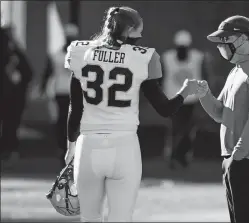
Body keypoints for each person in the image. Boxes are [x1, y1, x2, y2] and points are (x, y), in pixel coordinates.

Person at [63, 6, 199, 222]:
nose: (141, 36)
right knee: (121, 218)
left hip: (87, 145)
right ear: (129, 31)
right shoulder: (143, 58)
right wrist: (185, 92)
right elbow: (165, 109)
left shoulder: (80, 52)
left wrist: (71, 145)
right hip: (124, 145)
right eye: (139, 31)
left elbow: (75, 108)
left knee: (90, 218)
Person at [196, 15, 249, 223]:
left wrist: (238, 156)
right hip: (236, 159)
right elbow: (219, 113)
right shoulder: (237, 70)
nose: (221, 46)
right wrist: (204, 94)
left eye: (225, 40)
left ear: (242, 39)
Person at [161, 29, 211, 168]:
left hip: (191, 99)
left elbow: (205, 75)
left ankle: (181, 156)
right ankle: (175, 156)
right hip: (173, 98)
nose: (182, 52)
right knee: (176, 128)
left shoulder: (197, 57)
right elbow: (161, 77)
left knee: (188, 130)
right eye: (180, 49)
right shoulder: (167, 57)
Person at [40, 24, 79, 166]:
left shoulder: (57, 55)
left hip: (61, 91)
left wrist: (43, 88)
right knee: (71, 120)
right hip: (72, 92)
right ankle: (69, 146)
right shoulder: (79, 55)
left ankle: (63, 147)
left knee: (62, 120)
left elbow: (47, 73)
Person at [0, 26, 33, 165]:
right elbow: (28, 74)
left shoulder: (15, 55)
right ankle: (9, 148)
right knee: (11, 123)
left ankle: (8, 148)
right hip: (13, 96)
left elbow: (28, 74)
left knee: (10, 123)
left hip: (12, 96)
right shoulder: (15, 54)